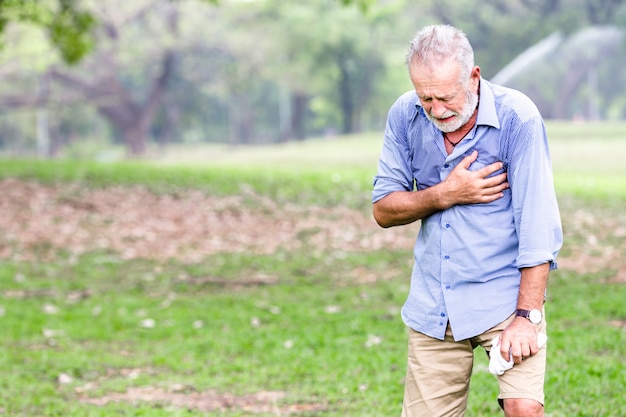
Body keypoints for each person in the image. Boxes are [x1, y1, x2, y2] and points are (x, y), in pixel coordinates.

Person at [372, 24, 563, 417]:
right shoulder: (405, 115)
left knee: (524, 407)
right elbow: (383, 209)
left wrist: (528, 317)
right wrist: (446, 194)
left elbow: (537, 227)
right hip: (435, 301)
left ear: (473, 77)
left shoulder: (518, 119)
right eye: (426, 98)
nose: (437, 110)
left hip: (505, 298)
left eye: (445, 96)